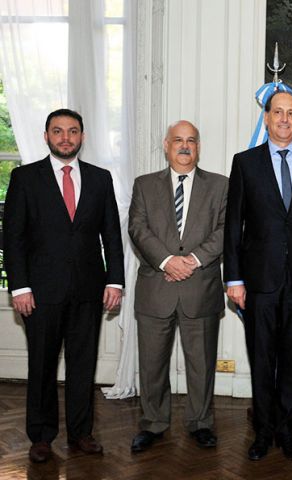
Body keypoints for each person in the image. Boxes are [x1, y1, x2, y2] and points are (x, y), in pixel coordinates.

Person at [3, 108, 124, 463]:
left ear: (82, 137)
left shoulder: (101, 179)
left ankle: (81, 433)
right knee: (41, 364)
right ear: (46, 136)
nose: (65, 137)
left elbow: (111, 236)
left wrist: (114, 279)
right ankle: (41, 437)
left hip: (89, 290)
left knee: (82, 365)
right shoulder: (25, 178)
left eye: (72, 131)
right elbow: (13, 239)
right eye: (58, 131)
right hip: (40, 293)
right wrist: (20, 287)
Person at [224, 91, 292, 461]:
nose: (284, 119)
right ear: (267, 118)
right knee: (261, 357)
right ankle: (263, 431)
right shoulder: (245, 163)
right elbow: (232, 226)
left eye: (291, 114)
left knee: (290, 360)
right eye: (278, 113)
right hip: (258, 282)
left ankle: (287, 430)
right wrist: (233, 279)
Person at [128, 120, 228, 453]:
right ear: (166, 144)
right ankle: (153, 423)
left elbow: (225, 231)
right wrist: (168, 261)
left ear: (198, 147)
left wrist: (193, 261)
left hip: (201, 289)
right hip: (157, 288)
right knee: (152, 364)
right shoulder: (144, 185)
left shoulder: (220, 186)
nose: (185, 146)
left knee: (201, 364)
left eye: (192, 141)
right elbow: (138, 229)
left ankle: (201, 423)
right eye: (178, 140)